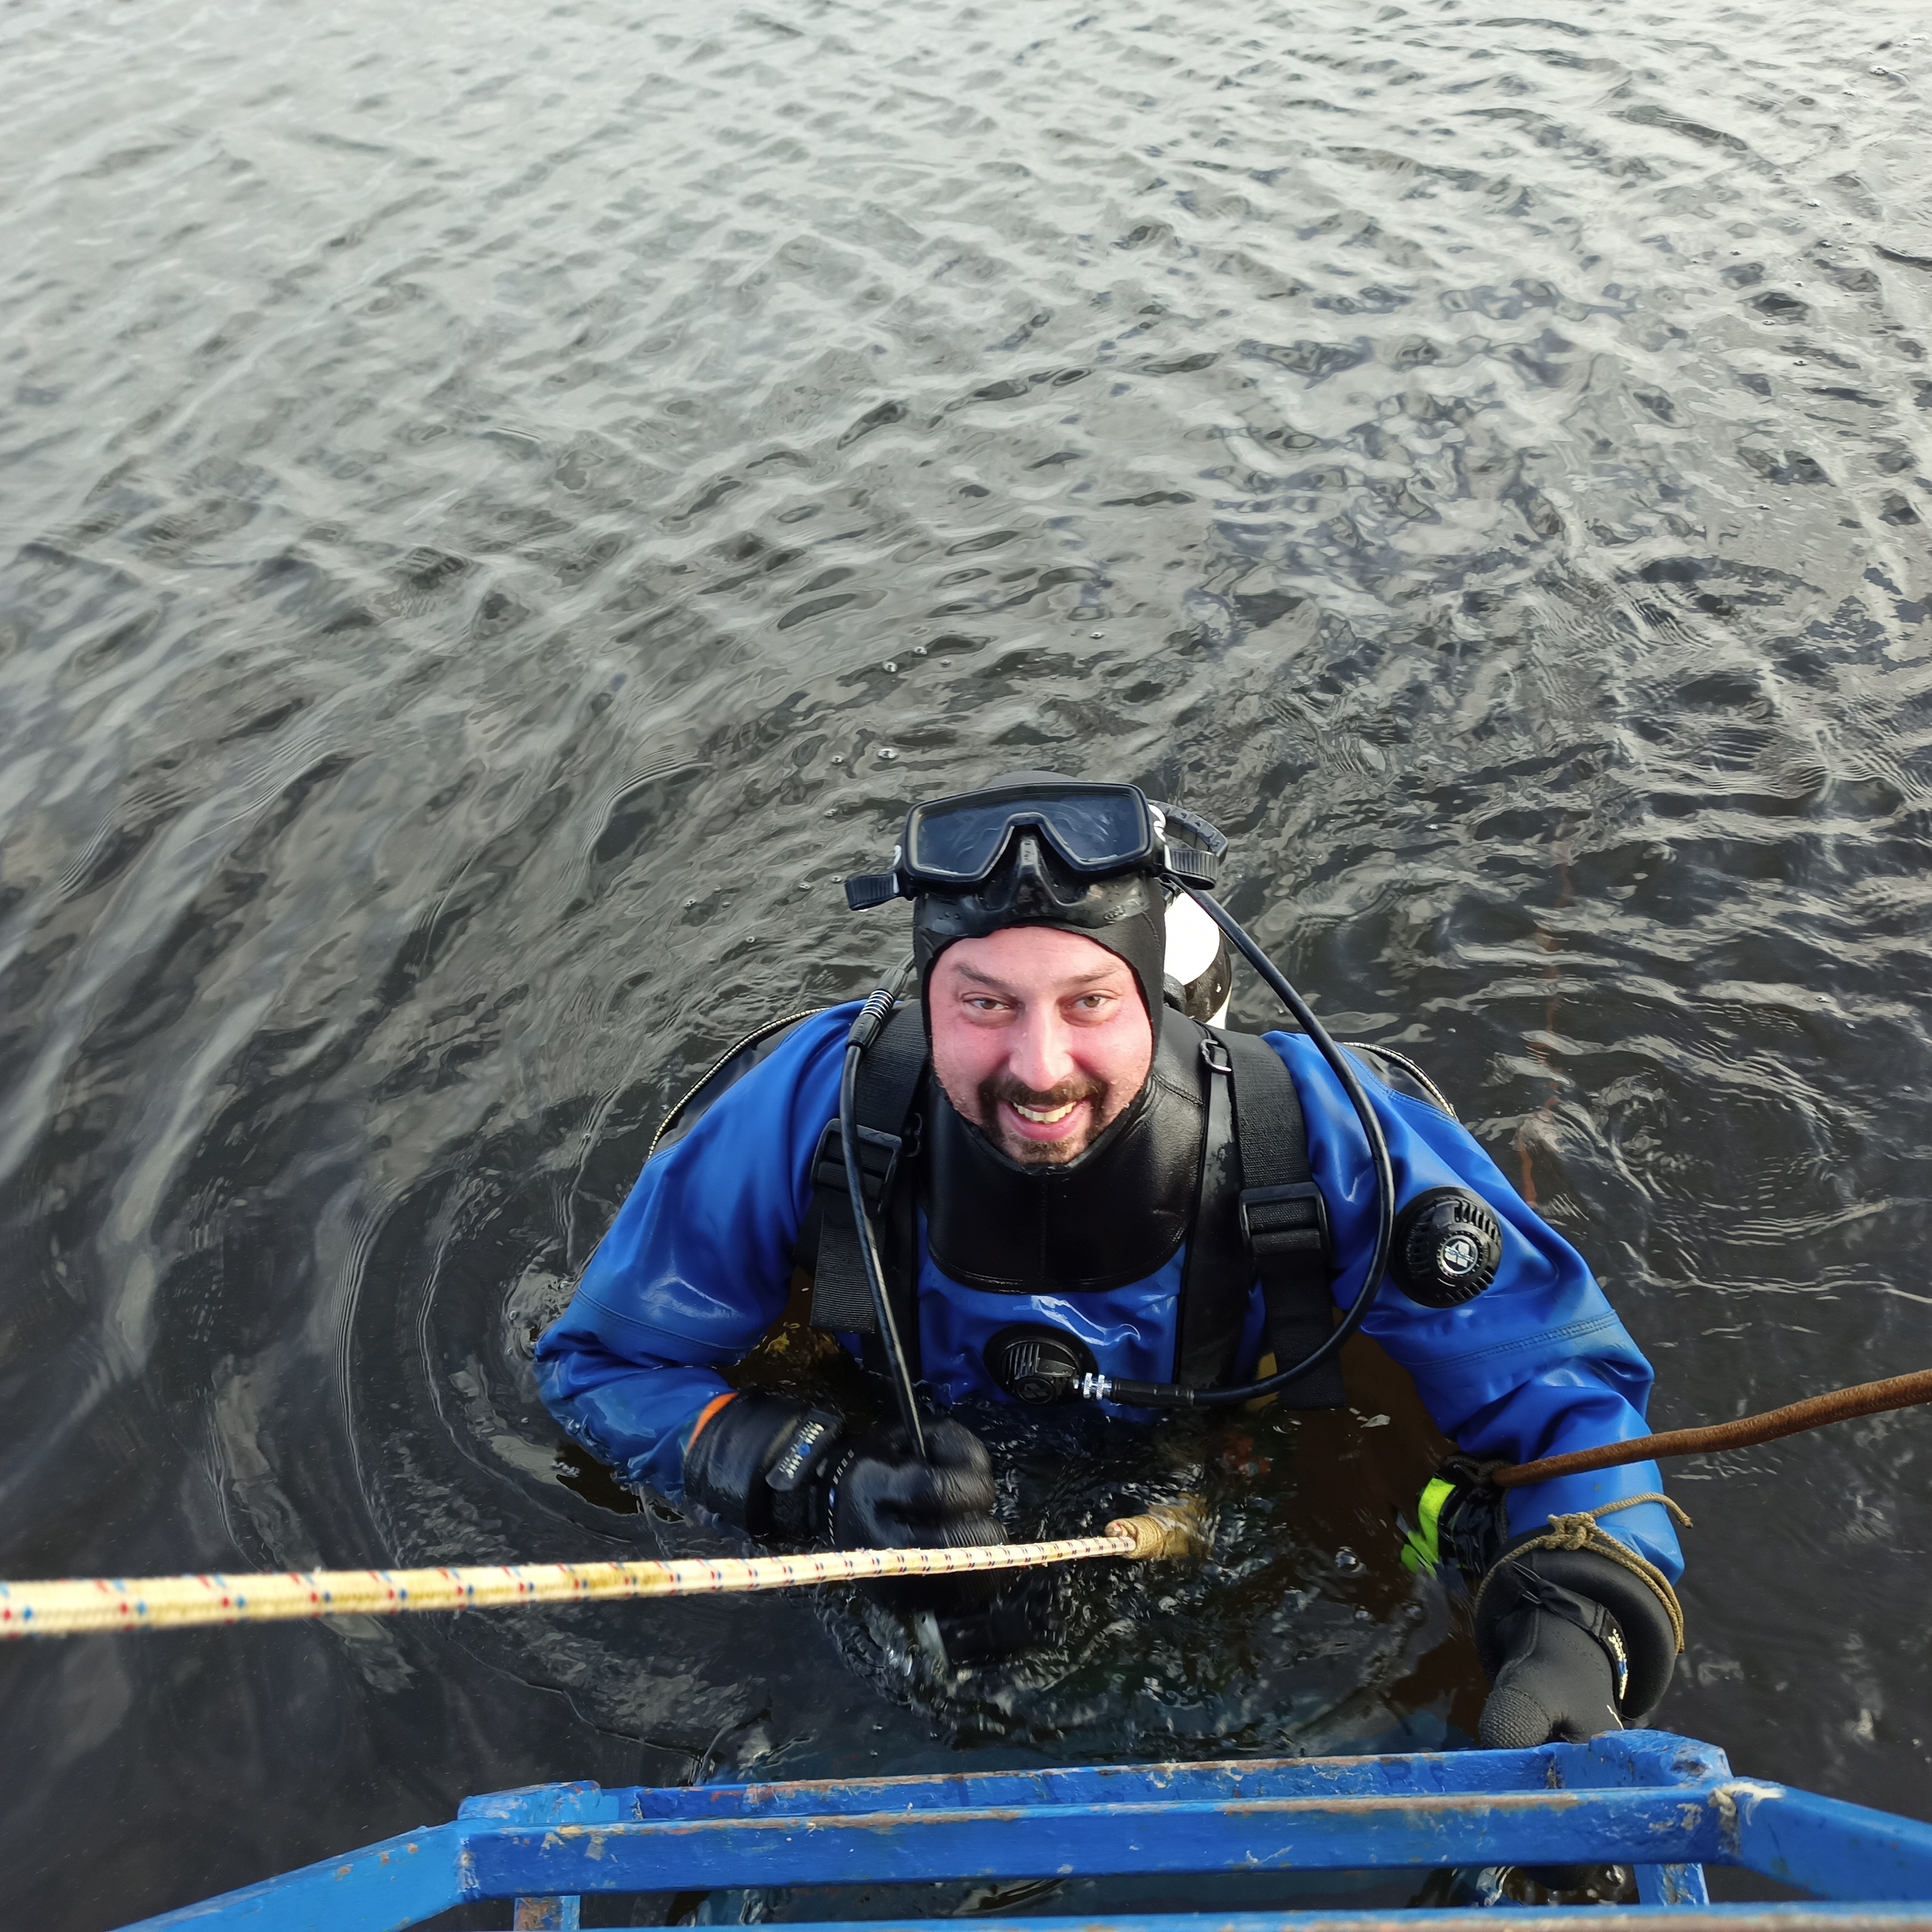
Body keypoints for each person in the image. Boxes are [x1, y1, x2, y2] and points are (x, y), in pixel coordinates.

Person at [536, 773, 1685, 1748]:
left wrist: (1582, 1625)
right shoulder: (814, 1112)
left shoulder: (1320, 1140)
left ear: (1159, 1001)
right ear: (924, 999)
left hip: (1232, 1441)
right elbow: (598, 1367)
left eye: (1089, 1002)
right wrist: (814, 1479)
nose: (1039, 1067)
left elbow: (1558, 1392)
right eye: (984, 1004)